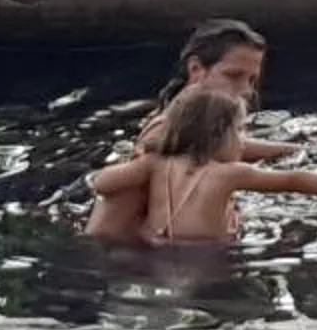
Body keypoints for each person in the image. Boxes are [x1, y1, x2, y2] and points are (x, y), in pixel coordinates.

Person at [84, 21, 301, 243]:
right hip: (145, 257)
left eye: (252, 80)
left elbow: (222, 144)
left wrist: (293, 149)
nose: (246, 90)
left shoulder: (182, 121)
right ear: (195, 69)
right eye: (233, 76)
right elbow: (110, 224)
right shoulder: (159, 138)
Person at [86, 86, 317, 246]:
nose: (242, 141)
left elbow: (101, 184)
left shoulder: (155, 163)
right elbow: (294, 179)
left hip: (153, 246)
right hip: (206, 255)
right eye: (239, 131)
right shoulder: (230, 174)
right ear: (218, 135)